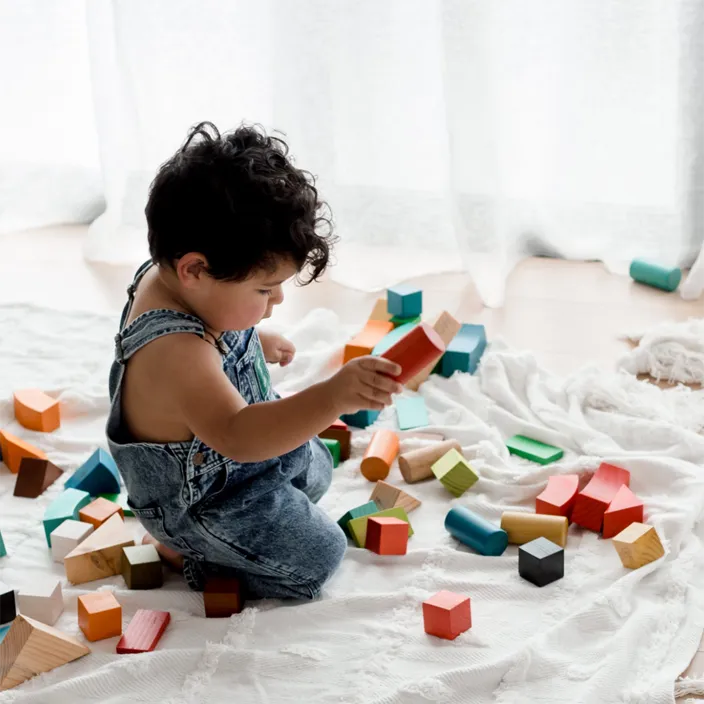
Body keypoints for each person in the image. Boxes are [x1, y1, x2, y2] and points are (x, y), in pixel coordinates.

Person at [106, 122, 402, 600]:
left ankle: (250, 524)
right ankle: (189, 553)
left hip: (234, 460)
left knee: (317, 464)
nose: (279, 298)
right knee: (319, 557)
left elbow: (213, 334)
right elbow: (240, 435)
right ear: (195, 269)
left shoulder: (182, 283)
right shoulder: (175, 353)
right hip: (204, 501)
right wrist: (331, 396)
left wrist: (252, 337)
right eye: (264, 290)